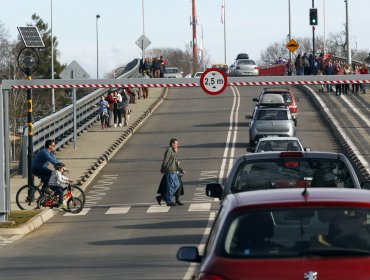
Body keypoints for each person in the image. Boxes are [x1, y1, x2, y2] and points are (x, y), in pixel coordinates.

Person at [159, 138, 181, 206]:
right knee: (171, 186)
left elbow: (174, 160)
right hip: (170, 171)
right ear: (172, 144)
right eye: (176, 144)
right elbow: (165, 160)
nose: (177, 145)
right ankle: (169, 201)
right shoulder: (169, 150)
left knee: (177, 184)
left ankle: (166, 196)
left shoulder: (173, 150)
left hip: (174, 171)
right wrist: (162, 169)